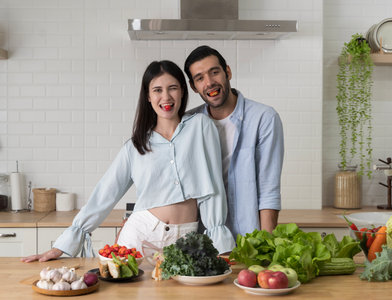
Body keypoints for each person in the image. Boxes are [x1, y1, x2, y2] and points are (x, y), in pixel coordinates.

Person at [21, 60, 235, 263]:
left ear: (183, 91)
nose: (166, 97)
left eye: (173, 88)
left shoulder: (201, 126)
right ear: (148, 97)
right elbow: (105, 193)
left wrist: (219, 240)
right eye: (157, 90)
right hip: (140, 236)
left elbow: (214, 186)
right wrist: (63, 245)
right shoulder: (135, 146)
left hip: (187, 240)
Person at [184, 45, 284, 238]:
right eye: (200, 78)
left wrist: (266, 247)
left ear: (227, 72)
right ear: (193, 87)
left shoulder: (264, 118)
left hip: (248, 238)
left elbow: (268, 190)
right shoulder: (188, 123)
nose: (210, 82)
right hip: (202, 241)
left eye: (215, 72)